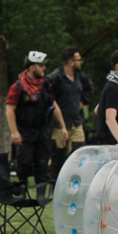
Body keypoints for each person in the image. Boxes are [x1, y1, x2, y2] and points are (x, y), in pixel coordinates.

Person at [5, 51, 51, 193]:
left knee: (42, 163)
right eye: (41, 65)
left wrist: (62, 126)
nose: (44, 68)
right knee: (24, 163)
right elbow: (9, 109)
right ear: (32, 67)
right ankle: (22, 193)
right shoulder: (17, 87)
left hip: (42, 130)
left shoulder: (46, 85)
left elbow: (54, 105)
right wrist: (14, 132)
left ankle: (41, 195)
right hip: (25, 131)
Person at [45, 47, 93, 180]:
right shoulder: (55, 78)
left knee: (79, 155)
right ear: (71, 62)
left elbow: (90, 87)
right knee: (57, 157)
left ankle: (74, 183)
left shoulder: (80, 77)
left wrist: (83, 101)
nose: (81, 62)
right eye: (79, 60)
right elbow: (47, 96)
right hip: (58, 125)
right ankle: (54, 185)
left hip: (76, 122)